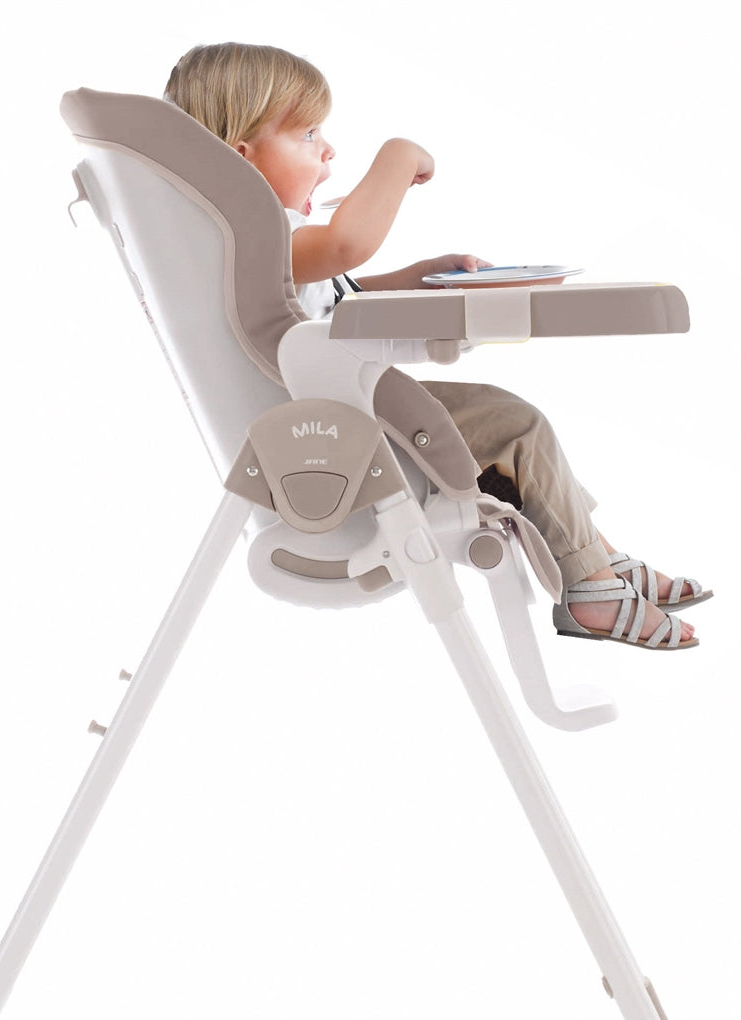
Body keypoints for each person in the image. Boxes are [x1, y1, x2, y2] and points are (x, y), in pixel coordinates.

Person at [165, 43, 711, 649]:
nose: (328, 150)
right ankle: (591, 589)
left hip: (338, 423)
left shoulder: (233, 243)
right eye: (309, 133)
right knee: (517, 429)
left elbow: (336, 294)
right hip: (346, 442)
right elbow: (345, 246)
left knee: (513, 427)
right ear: (241, 155)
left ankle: (598, 559)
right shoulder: (253, 235)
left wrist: (419, 276)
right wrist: (399, 156)